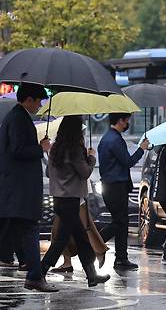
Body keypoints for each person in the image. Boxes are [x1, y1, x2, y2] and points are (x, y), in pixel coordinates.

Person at [40, 115, 110, 287]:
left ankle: (92, 275)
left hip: (58, 199)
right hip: (71, 200)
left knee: (81, 238)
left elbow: (49, 173)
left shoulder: (56, 148)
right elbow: (85, 173)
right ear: (76, 130)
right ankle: (39, 272)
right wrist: (91, 157)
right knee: (61, 241)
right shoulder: (75, 150)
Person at [0, 83, 57, 292]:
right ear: (29, 99)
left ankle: (34, 274)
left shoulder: (17, 117)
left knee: (21, 230)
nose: (39, 106)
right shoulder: (18, 118)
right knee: (30, 228)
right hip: (20, 188)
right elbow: (17, 150)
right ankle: (34, 276)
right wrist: (39, 148)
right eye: (39, 101)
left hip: (16, 188)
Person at [98, 113, 149, 270]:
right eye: (127, 120)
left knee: (122, 223)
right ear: (120, 120)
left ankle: (121, 258)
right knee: (119, 222)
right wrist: (141, 149)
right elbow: (128, 162)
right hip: (115, 186)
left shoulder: (107, 137)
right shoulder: (114, 139)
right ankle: (95, 242)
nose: (128, 123)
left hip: (111, 186)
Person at [49, 201, 108, 273]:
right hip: (66, 195)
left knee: (82, 226)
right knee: (64, 228)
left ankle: (98, 250)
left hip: (72, 195)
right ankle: (70, 263)